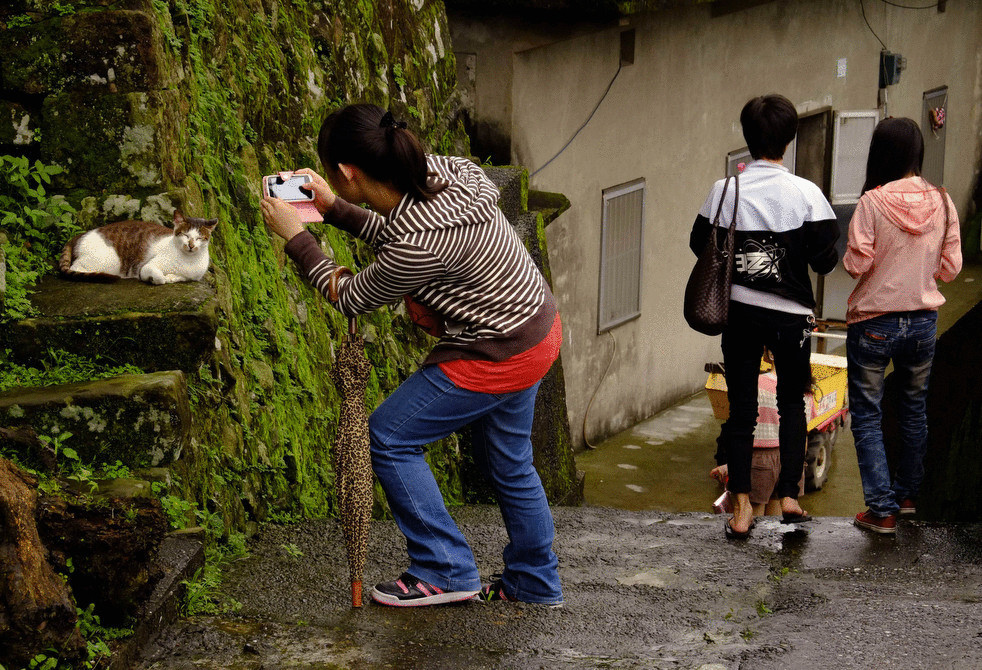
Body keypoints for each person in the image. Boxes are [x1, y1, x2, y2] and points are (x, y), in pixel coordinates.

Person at [261, 104, 564, 607]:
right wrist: (334, 208)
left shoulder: (417, 244)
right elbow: (407, 233)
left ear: (348, 171)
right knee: (513, 465)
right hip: (535, 324)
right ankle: (534, 584)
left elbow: (351, 295)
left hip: (495, 349)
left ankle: (445, 570)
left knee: (388, 436)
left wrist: (297, 238)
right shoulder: (450, 171)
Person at [690, 94, 839, 539]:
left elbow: (701, 244)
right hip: (791, 317)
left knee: (742, 409)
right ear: (789, 140)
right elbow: (825, 259)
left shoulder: (725, 190)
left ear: (748, 138)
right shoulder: (807, 193)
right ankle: (790, 496)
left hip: (738, 313)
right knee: (794, 402)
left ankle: (740, 507)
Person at [844, 117, 961, 535]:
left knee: (867, 415)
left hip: (874, 322)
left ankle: (881, 509)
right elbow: (950, 269)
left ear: (881, 154)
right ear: (917, 153)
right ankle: (907, 496)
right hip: (923, 321)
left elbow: (856, 263)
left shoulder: (872, 203)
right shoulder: (944, 201)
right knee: (914, 408)